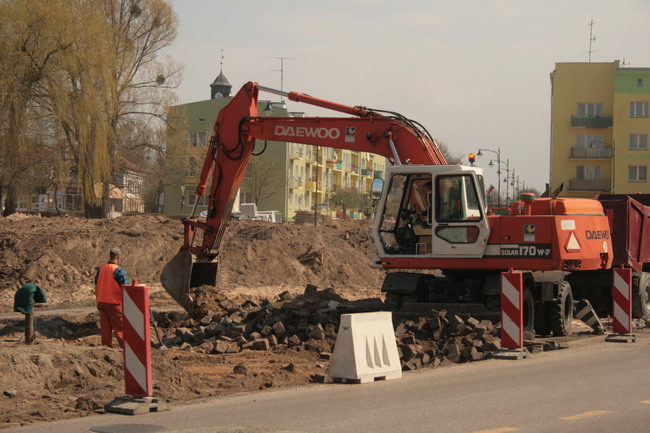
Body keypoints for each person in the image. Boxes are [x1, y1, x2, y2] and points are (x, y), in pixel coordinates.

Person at [94, 246, 130, 348]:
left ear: (110, 256)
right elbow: (126, 288)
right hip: (114, 303)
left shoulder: (101, 268)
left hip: (101, 302)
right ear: (118, 257)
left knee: (105, 328)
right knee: (120, 329)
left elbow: (96, 285)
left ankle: (106, 347)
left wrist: (98, 299)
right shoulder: (118, 271)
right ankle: (125, 348)